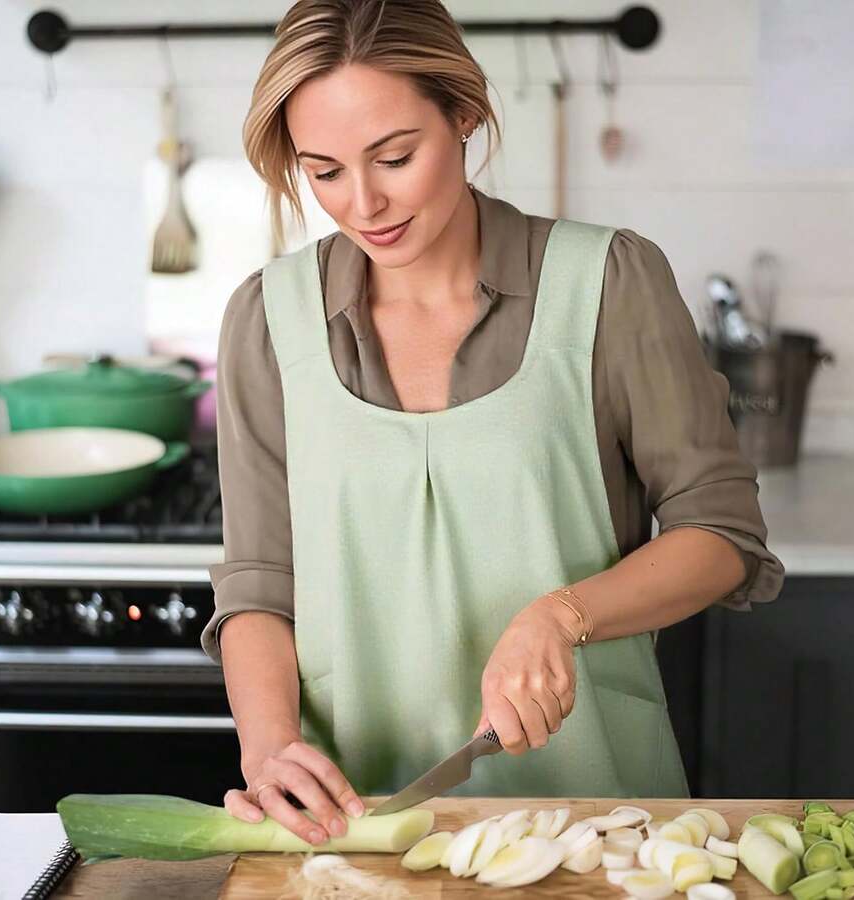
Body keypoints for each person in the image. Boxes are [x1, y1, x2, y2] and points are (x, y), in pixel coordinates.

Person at [201, 0, 784, 849]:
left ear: (465, 112)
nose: (363, 203)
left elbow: (721, 535)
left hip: (600, 824)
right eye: (323, 171)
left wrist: (561, 614)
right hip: (361, 831)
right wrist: (269, 748)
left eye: (395, 156)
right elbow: (259, 580)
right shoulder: (266, 318)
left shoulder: (608, 281)